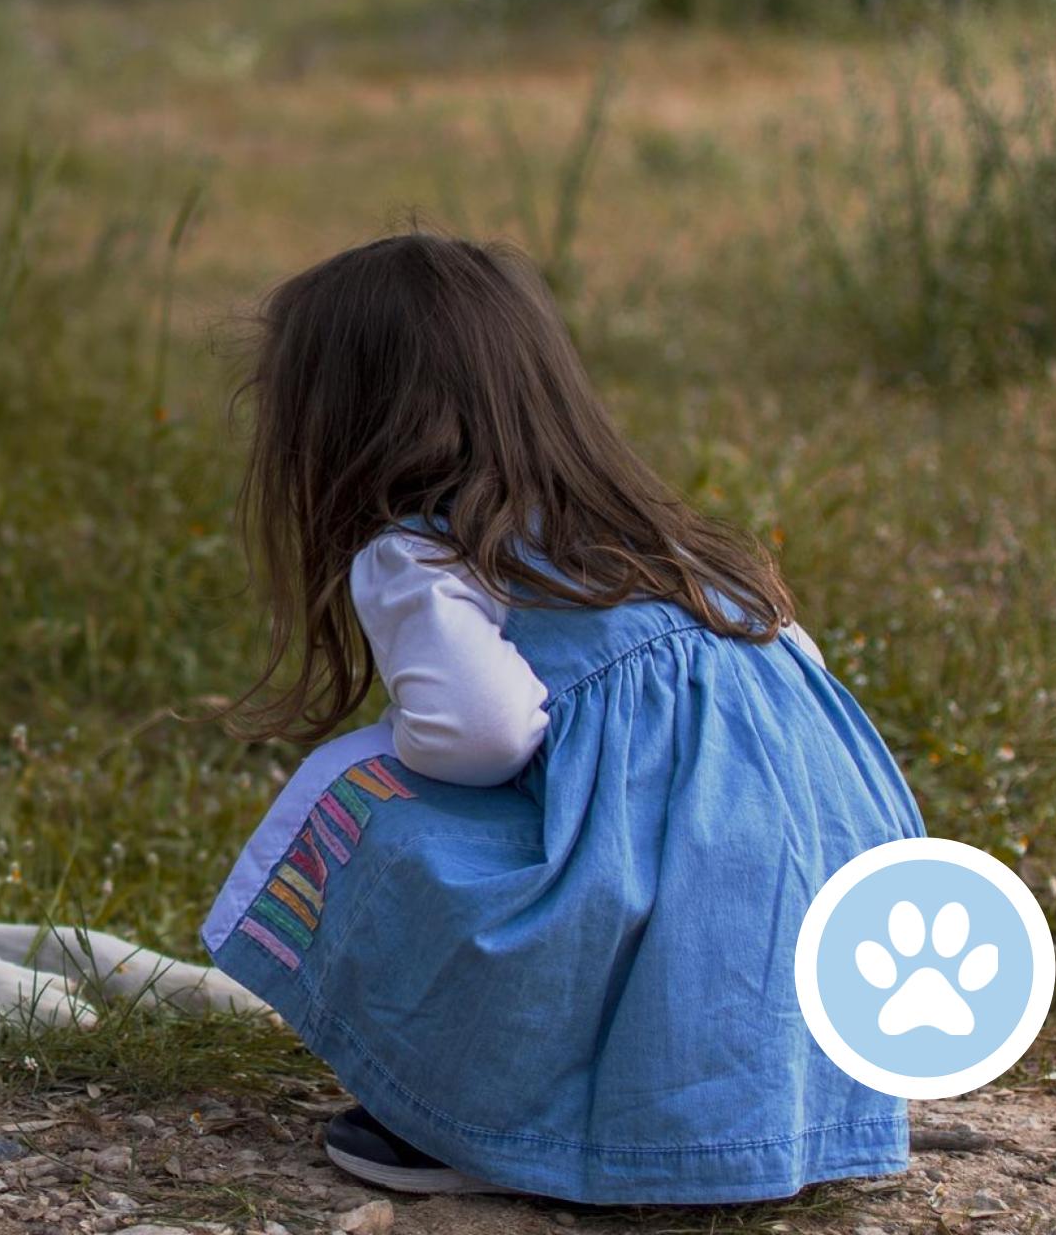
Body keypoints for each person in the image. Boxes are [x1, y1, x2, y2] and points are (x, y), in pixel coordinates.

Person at [201, 232, 923, 1204]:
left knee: (363, 794)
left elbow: (484, 732)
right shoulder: (664, 541)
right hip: (827, 901)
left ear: (344, 426)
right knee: (687, 860)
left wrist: (400, 752)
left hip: (660, 904)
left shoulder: (420, 554)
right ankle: (775, 1105)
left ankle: (481, 1117)